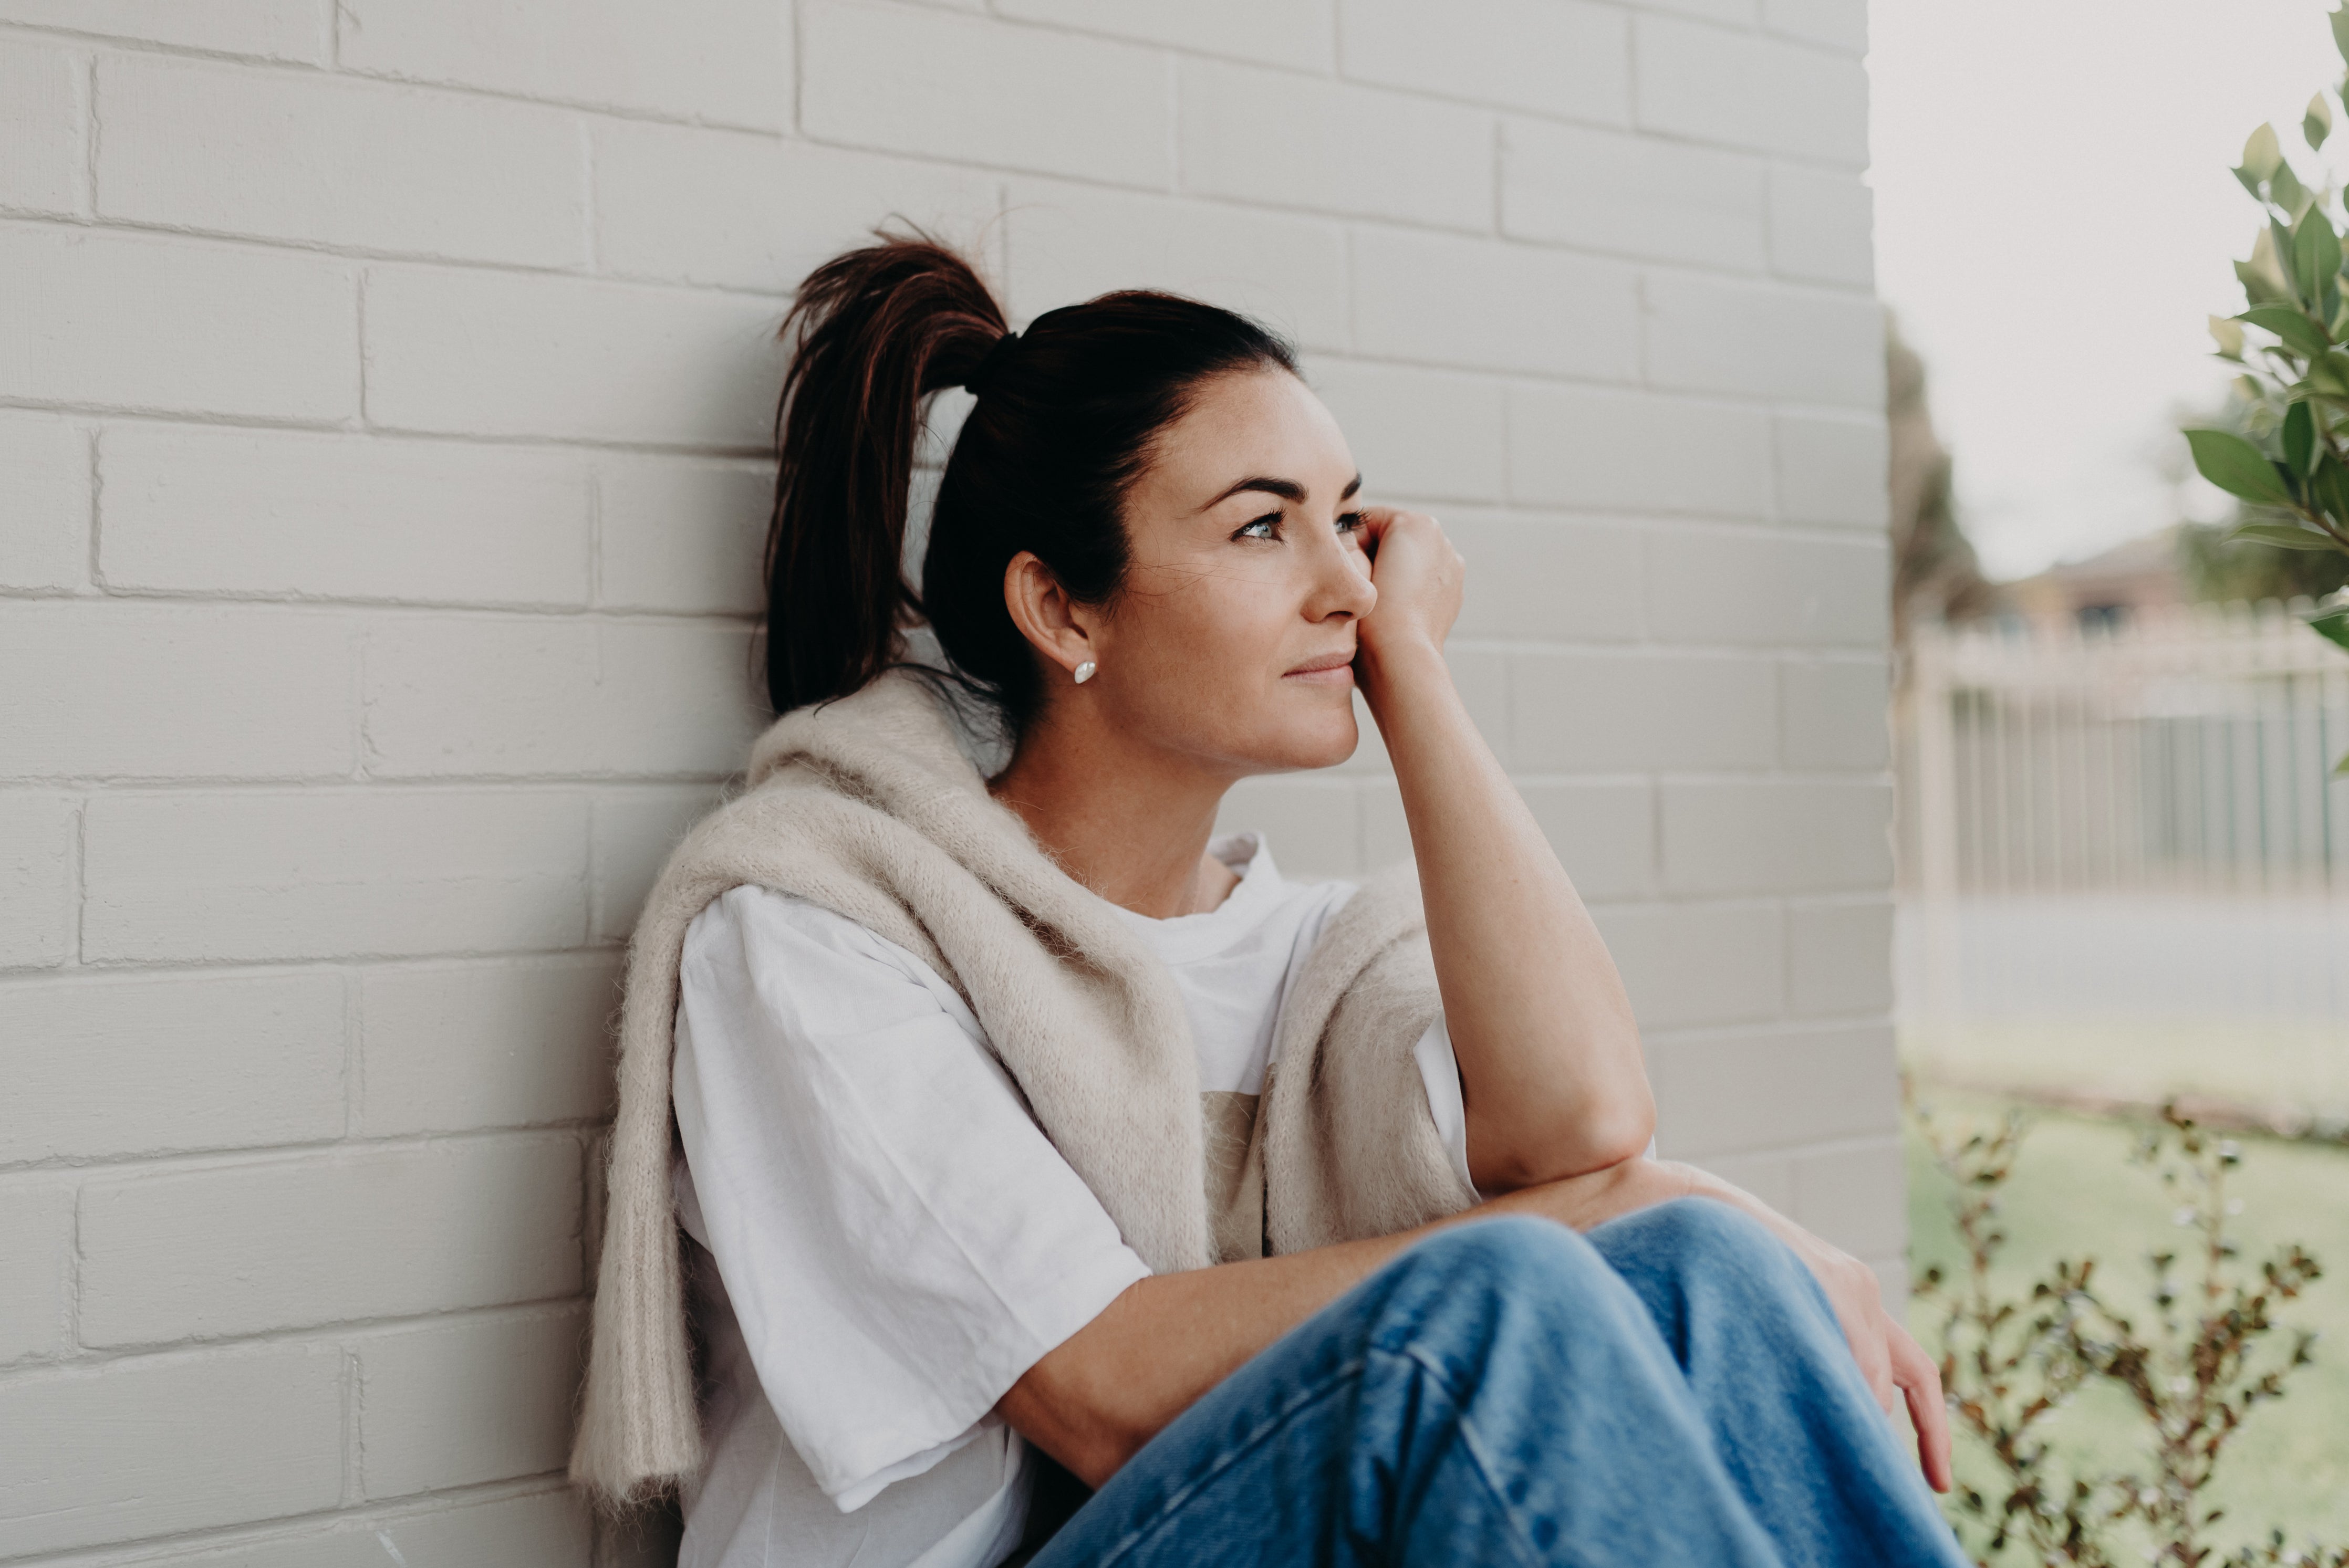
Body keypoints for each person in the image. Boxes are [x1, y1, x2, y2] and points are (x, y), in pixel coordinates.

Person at [569, 236, 1966, 1568]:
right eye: (1262, 528)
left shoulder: (1305, 958)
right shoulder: (814, 926)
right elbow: (1104, 1384)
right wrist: (1609, 1203)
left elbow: (1587, 1127)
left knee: (1705, 1267)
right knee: (1496, 1301)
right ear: (1063, 611)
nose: (1348, 583)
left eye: (1349, 521)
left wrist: (1413, 672)